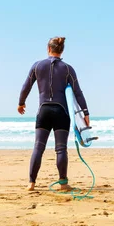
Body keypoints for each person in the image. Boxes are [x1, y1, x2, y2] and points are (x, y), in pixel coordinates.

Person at [17, 36, 90, 191]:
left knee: (38, 147)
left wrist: (21, 103)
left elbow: (26, 86)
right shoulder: (68, 69)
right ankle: (63, 183)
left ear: (48, 49)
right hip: (61, 112)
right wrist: (85, 113)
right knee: (61, 148)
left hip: (43, 110)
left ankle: (31, 183)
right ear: (61, 50)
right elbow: (78, 92)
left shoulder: (37, 66)